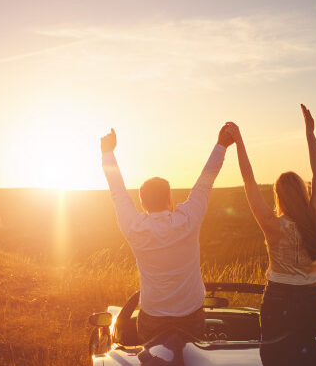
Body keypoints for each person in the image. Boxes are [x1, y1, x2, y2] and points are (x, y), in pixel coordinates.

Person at [100, 125, 234, 344]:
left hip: (153, 317)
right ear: (169, 199)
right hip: (191, 315)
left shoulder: (134, 227)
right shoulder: (187, 220)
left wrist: (108, 153)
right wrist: (221, 145)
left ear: (142, 203)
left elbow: (118, 193)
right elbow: (205, 183)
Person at [227, 104, 316, 365]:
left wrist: (239, 142)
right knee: (308, 359)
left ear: (279, 197)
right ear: (303, 193)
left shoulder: (272, 225)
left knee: (274, 359)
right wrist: (310, 134)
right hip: (310, 298)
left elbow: (249, 181)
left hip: (277, 298)